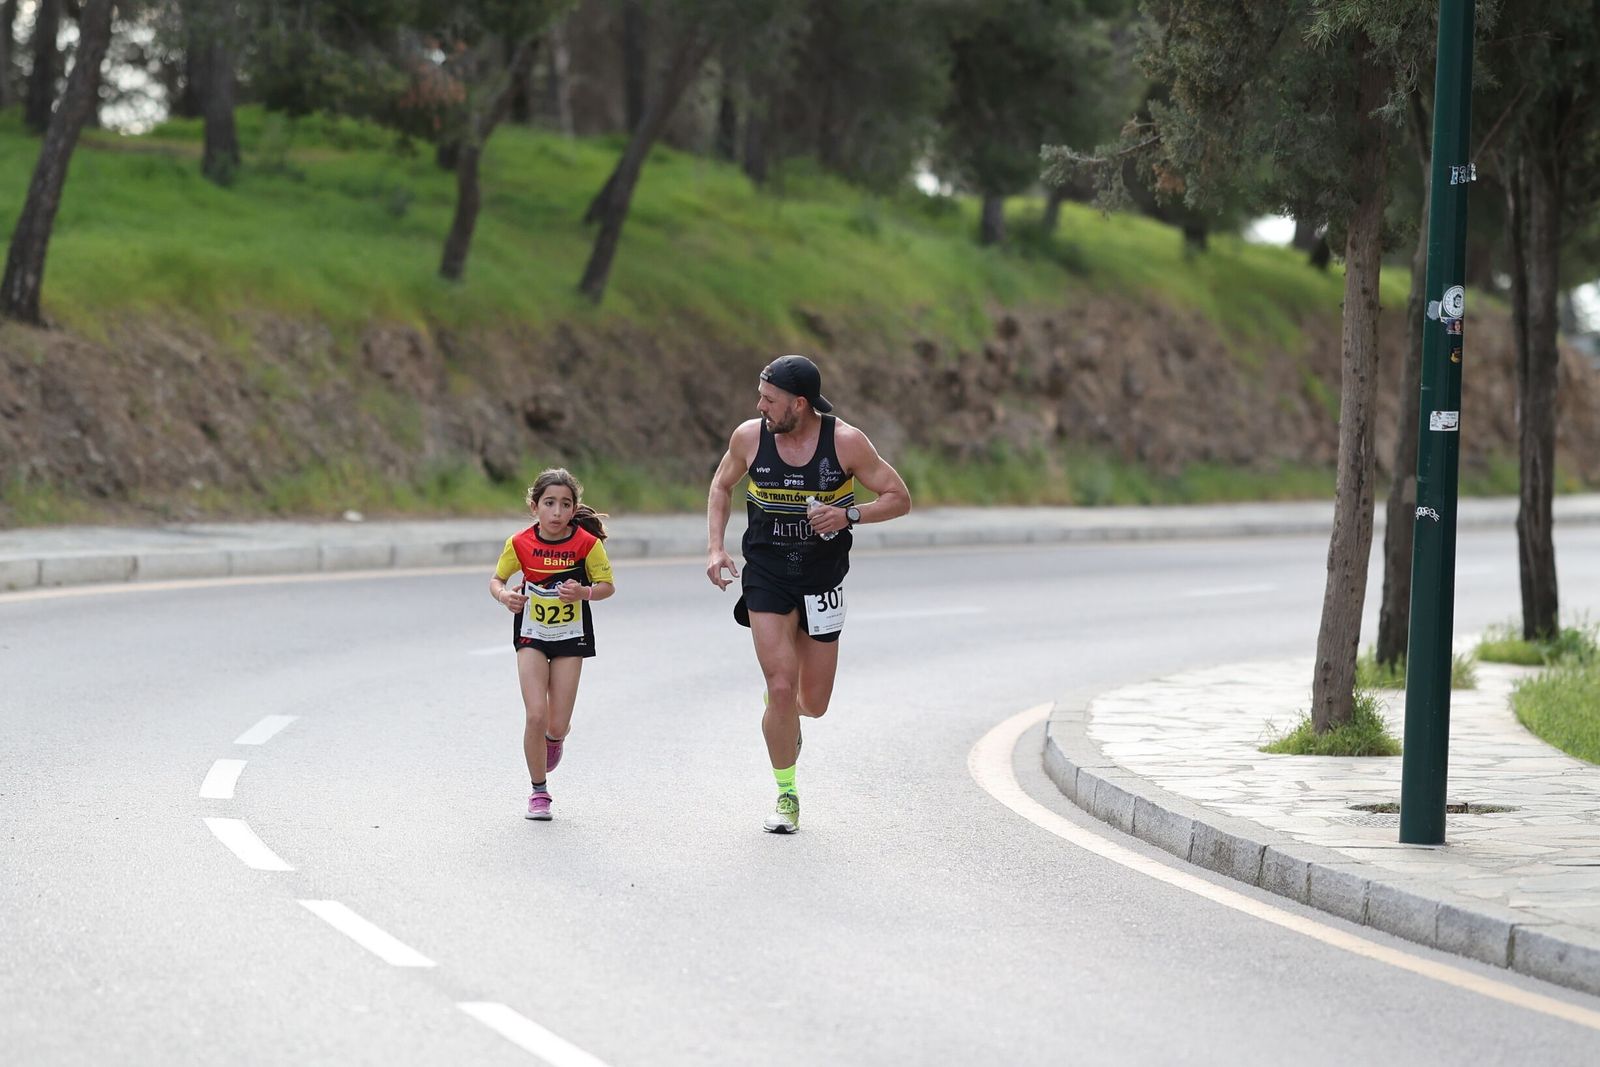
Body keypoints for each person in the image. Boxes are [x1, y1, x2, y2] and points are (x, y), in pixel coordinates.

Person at [706, 354, 911, 833]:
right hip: (767, 573)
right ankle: (787, 794)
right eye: (760, 396)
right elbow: (722, 485)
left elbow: (898, 496)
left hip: (822, 579)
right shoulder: (749, 437)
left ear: (799, 404)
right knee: (781, 685)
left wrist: (849, 515)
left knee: (812, 703)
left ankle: (782, 713)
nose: (760, 406)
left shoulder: (845, 442)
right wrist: (716, 549)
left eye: (769, 399)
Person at [489, 468, 615, 821]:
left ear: (574, 509)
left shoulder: (587, 545)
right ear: (534, 507)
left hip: (570, 636)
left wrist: (584, 592)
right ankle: (539, 792)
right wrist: (505, 597)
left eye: (564, 504)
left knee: (555, 724)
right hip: (531, 633)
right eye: (549, 503)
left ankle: (555, 739)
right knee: (535, 714)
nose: (557, 512)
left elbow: (607, 586)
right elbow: (498, 580)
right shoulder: (519, 543)